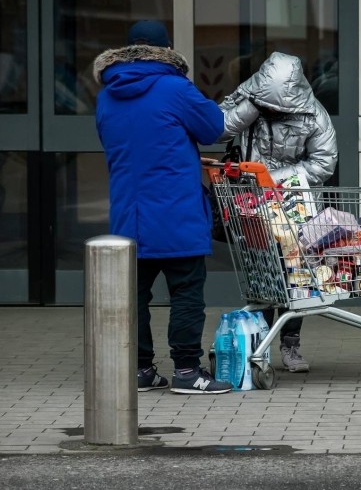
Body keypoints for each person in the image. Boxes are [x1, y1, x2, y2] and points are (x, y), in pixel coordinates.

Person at [93, 19, 232, 394]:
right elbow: (212, 127)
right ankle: (187, 371)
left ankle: (140, 371)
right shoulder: (174, 87)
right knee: (186, 291)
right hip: (176, 213)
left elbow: (121, 143)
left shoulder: (107, 94)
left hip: (129, 215)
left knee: (134, 296)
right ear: (166, 49)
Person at [219, 51, 338, 372]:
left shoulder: (314, 116)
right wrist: (251, 107)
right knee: (262, 274)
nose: (271, 111)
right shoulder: (248, 100)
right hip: (250, 204)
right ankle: (260, 343)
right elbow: (217, 129)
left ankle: (290, 345)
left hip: (293, 204)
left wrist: (272, 179)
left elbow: (323, 163)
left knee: (295, 275)